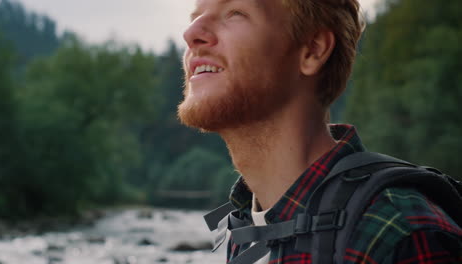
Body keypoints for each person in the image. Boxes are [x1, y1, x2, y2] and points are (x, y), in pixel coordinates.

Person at [178, 0, 462, 263]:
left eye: (235, 13)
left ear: (313, 50)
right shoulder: (244, 226)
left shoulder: (398, 230)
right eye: (196, 17)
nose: (191, 32)